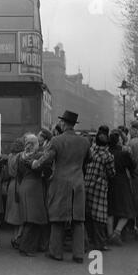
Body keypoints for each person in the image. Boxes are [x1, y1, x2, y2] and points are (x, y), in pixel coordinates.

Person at [32, 110, 91, 263]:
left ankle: (56, 252)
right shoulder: (84, 142)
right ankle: (78, 254)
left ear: (64, 124)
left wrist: (35, 164)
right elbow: (88, 159)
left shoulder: (57, 141)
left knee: (58, 218)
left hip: (60, 183)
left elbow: (46, 159)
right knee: (78, 220)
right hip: (78, 183)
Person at [13, 134, 50, 256]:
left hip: (23, 185)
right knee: (33, 220)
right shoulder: (38, 156)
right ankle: (26, 247)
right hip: (35, 187)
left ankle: (24, 245)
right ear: (36, 144)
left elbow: (18, 174)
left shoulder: (20, 157)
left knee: (29, 218)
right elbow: (45, 169)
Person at [84, 132, 115, 251]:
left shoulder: (90, 150)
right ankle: (100, 243)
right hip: (99, 186)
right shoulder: (107, 156)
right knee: (99, 215)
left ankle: (89, 239)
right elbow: (112, 173)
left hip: (87, 183)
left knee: (88, 214)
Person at [107, 130, 137, 245]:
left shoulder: (108, 152)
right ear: (118, 141)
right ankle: (117, 232)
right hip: (122, 182)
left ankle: (109, 235)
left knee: (110, 209)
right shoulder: (123, 153)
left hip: (109, 182)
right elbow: (132, 165)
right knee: (127, 209)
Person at [4, 138, 25, 249]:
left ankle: (14, 236)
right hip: (19, 183)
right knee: (21, 213)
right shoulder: (20, 156)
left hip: (11, 184)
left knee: (14, 213)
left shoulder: (10, 156)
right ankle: (18, 237)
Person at [128, 121, 138, 240]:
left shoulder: (131, 143)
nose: (130, 132)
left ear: (136, 130)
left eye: (131, 130)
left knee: (134, 202)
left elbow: (129, 160)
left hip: (134, 177)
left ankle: (133, 228)